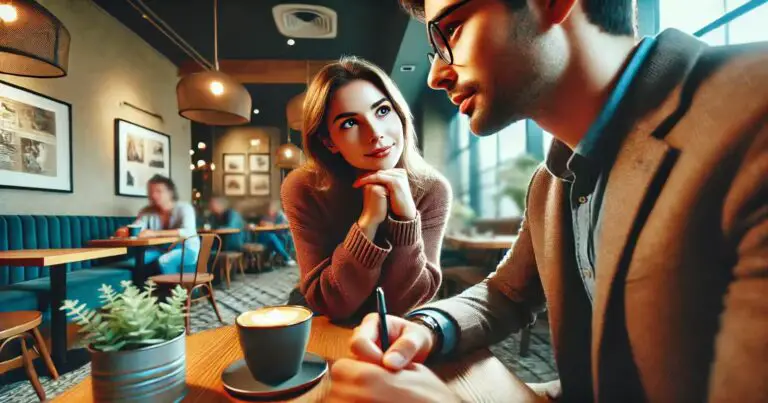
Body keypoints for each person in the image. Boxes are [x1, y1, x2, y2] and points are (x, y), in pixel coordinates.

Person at [329, 1, 768, 402]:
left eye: (453, 30)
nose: (435, 74)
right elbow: (507, 294)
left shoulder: (754, 112)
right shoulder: (551, 180)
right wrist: (428, 327)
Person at [280, 56, 452, 322]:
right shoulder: (303, 187)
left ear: (399, 113)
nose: (375, 132)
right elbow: (327, 301)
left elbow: (407, 300)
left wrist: (406, 219)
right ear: (328, 141)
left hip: (397, 322)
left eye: (382, 111)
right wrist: (368, 223)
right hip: (321, 316)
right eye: (350, 123)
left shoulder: (432, 189)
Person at [118, 175, 199, 275]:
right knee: (136, 262)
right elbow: (138, 227)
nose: (153, 195)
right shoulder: (146, 211)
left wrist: (154, 234)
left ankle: (175, 290)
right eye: (151, 191)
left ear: (170, 192)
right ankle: (144, 290)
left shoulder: (185, 208)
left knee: (165, 260)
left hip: (186, 250)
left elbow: (187, 232)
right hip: (160, 250)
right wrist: (125, 231)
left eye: (158, 191)